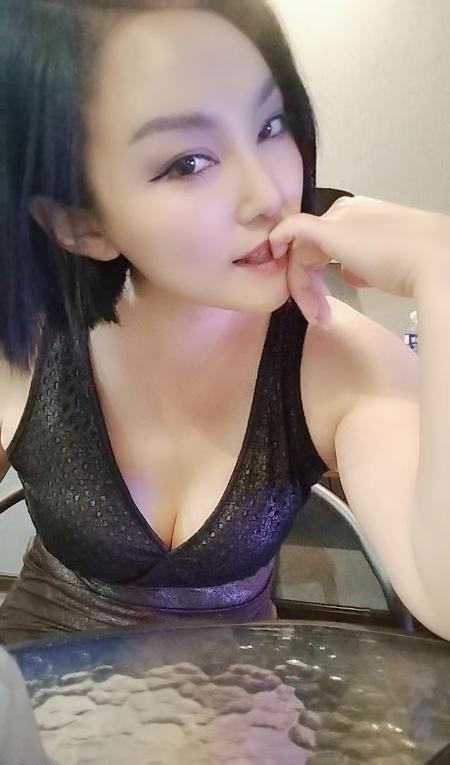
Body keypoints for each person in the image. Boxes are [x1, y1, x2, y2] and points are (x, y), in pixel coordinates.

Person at [0, 0, 449, 645]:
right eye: (188, 163)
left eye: (271, 125)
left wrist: (443, 271)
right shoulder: (26, 345)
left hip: (235, 692)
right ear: (81, 223)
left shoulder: (337, 358)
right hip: (43, 687)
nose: (268, 194)